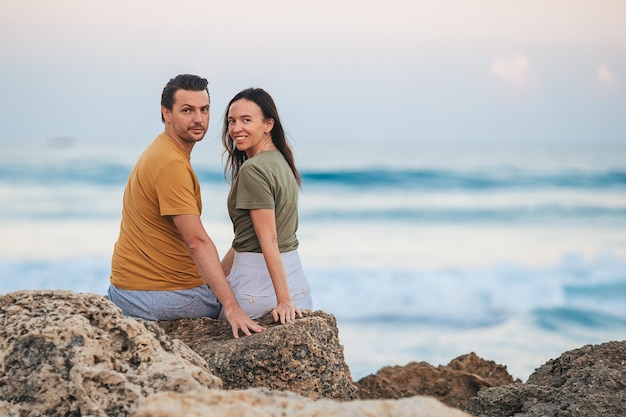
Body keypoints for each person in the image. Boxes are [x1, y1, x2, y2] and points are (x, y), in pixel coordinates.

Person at [108, 74, 264, 338]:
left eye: (204, 110)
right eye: (187, 110)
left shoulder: (162, 150)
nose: (199, 119)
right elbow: (196, 241)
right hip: (151, 296)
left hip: (128, 290)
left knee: (231, 280)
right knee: (250, 298)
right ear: (166, 113)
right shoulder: (171, 163)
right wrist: (231, 306)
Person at [220, 87, 313, 324]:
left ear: (268, 124)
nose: (236, 128)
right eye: (232, 121)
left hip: (257, 288)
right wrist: (215, 280)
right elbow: (247, 235)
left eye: (246, 120)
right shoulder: (282, 162)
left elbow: (268, 238)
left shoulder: (253, 169)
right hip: (296, 282)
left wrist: (283, 301)